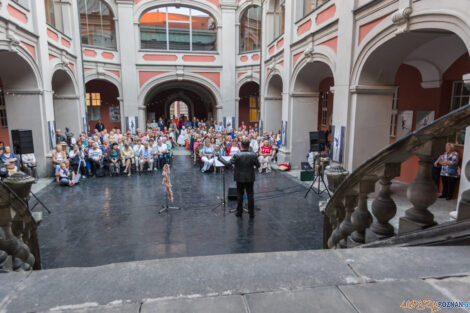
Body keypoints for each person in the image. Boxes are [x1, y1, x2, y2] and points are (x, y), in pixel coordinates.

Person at [218, 139, 260, 218]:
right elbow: (258, 165)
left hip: (239, 177)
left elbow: (227, 164)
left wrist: (219, 158)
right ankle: (251, 214)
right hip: (250, 177)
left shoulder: (237, 155)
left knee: (240, 195)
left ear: (241, 145)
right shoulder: (253, 155)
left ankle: (239, 213)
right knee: (250, 195)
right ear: (249, 145)